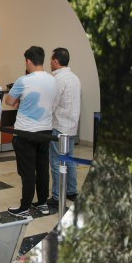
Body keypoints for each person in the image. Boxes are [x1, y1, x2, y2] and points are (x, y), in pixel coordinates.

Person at [4, 46, 58, 218]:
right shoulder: (53, 80)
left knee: (27, 171)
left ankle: (25, 207)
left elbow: (9, 101)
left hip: (25, 132)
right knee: (42, 168)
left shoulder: (23, 80)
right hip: (46, 130)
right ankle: (42, 203)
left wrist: (19, 101)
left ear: (28, 61)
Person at [47, 47, 81, 208]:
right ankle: (72, 191)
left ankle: (57, 196)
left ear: (55, 61)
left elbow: (53, 103)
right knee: (70, 160)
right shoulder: (75, 78)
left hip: (59, 125)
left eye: (51, 60)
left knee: (56, 161)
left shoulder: (58, 79)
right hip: (72, 126)